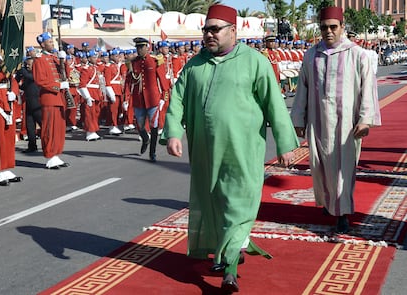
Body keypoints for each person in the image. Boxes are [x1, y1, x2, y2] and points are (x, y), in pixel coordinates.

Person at [161, 4, 299, 293]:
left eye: (215, 29)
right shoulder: (194, 65)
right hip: (205, 154)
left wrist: (286, 144)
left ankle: (230, 271)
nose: (209, 35)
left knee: (238, 205)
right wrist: (173, 132)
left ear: (233, 31)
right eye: (206, 30)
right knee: (215, 206)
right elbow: (176, 101)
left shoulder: (254, 62)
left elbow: (274, 103)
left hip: (242, 151)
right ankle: (228, 251)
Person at [290, 7, 381, 234]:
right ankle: (329, 203)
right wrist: (299, 118)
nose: (328, 32)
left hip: (346, 125)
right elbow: (302, 89)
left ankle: (342, 212)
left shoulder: (358, 54)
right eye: (324, 27)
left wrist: (365, 119)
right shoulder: (311, 55)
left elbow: (368, 89)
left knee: (343, 167)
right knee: (319, 165)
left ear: (342, 27)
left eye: (333, 27)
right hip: (317, 121)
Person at [124, 37, 170, 162]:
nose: (139, 50)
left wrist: (163, 98)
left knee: (154, 126)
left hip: (153, 99)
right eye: (137, 48)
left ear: (147, 47)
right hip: (138, 99)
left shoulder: (156, 61)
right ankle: (145, 138)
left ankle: (152, 152)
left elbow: (163, 81)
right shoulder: (133, 62)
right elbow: (128, 82)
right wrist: (126, 98)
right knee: (139, 125)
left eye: (141, 47)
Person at [32, 32, 70, 169]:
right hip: (49, 98)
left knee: (59, 129)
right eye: (49, 42)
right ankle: (49, 155)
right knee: (50, 128)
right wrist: (58, 86)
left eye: (52, 42)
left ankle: (56, 154)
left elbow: (65, 74)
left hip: (59, 98)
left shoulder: (55, 57)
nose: (52, 44)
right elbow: (40, 81)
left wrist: (64, 61)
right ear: (42, 44)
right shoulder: (39, 59)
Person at [0, 53, 23, 185]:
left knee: (8, 137)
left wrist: (14, 92)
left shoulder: (2, 60)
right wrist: (4, 68)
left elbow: (13, 80)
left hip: (7, 100)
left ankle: (6, 167)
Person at [16, 57, 42, 153]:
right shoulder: (27, 76)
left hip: (38, 104)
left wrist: (21, 69)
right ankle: (32, 146)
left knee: (43, 125)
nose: (27, 66)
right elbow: (22, 86)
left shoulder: (37, 74)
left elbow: (29, 77)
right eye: (26, 64)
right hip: (29, 104)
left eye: (29, 64)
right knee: (30, 126)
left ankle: (48, 145)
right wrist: (18, 75)